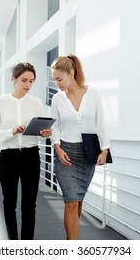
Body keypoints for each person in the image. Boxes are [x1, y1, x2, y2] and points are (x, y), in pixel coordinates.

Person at [0, 62, 52, 240]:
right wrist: (11, 131)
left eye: (31, 81)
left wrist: (44, 133)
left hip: (31, 156)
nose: (28, 85)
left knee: (30, 205)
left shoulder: (36, 103)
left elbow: (39, 134)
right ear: (14, 79)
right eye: (24, 80)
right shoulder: (1, 103)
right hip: (9, 158)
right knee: (9, 204)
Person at [50, 54, 110, 240]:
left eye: (59, 79)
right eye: (54, 80)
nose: (57, 83)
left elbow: (101, 123)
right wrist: (57, 148)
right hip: (65, 154)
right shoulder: (58, 99)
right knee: (71, 201)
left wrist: (105, 150)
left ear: (71, 73)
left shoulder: (93, 94)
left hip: (87, 154)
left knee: (79, 200)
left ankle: (71, 239)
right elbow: (54, 126)